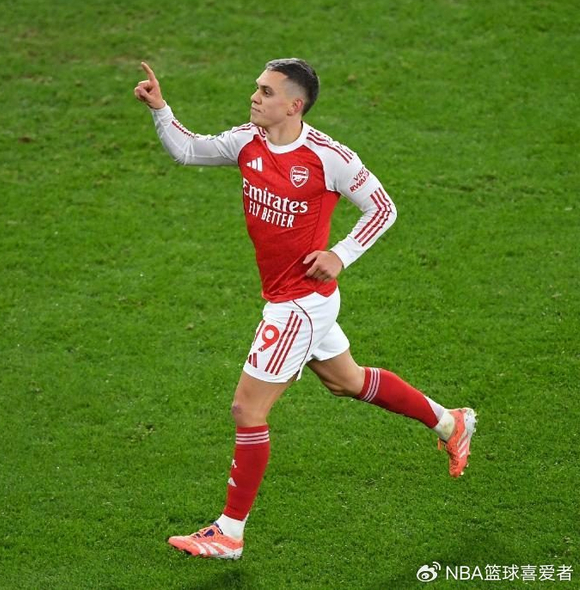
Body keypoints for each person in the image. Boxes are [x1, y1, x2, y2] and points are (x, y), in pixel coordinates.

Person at [133, 58, 476, 560]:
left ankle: (229, 532)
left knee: (247, 409)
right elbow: (187, 149)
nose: (255, 97)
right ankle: (451, 423)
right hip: (295, 298)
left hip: (299, 303)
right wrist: (160, 108)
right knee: (347, 381)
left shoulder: (327, 157)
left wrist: (341, 254)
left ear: (295, 105)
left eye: (267, 92)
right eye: (257, 88)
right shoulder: (246, 141)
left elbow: (383, 208)